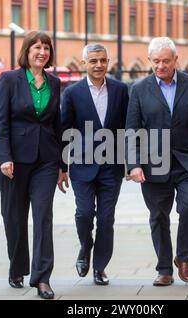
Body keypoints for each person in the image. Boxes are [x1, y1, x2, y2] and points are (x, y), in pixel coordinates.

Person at [125, 37, 188, 286]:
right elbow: (131, 130)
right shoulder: (139, 89)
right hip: (153, 163)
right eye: (156, 61)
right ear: (150, 61)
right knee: (158, 216)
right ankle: (164, 268)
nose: (161, 66)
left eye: (166, 61)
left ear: (176, 60)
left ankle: (184, 258)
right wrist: (133, 164)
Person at [0, 31, 62, 299]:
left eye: (46, 48)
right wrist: (4, 157)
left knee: (43, 216)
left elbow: (57, 124)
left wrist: (62, 164)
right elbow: (0, 122)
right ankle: (17, 267)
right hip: (15, 161)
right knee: (14, 218)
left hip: (46, 160)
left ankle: (42, 278)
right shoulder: (9, 80)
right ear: (27, 51)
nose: (42, 52)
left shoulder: (54, 83)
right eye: (37, 47)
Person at [59, 43, 129, 285]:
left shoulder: (121, 90)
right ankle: (85, 246)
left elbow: (127, 129)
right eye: (93, 61)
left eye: (102, 60)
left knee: (107, 219)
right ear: (84, 64)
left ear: (107, 62)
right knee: (84, 213)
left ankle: (100, 267)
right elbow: (65, 131)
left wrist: (131, 162)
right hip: (81, 166)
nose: (98, 65)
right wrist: (61, 167)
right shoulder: (72, 93)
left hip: (112, 167)